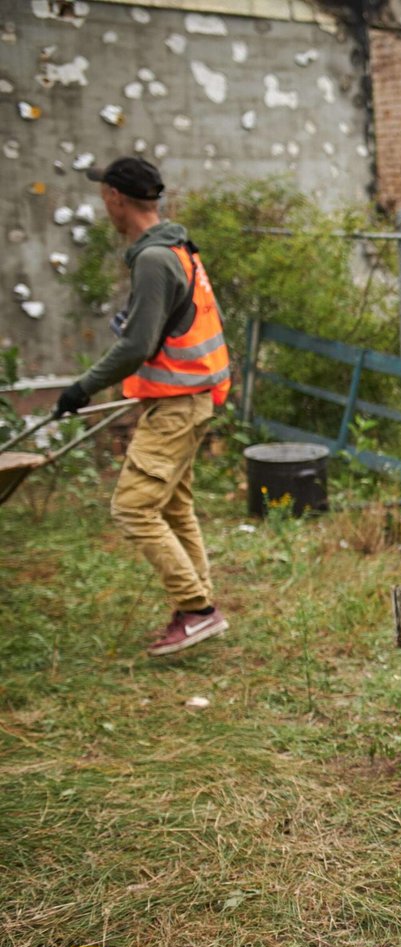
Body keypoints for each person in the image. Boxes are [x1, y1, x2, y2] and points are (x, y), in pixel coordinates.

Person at [53, 156, 231, 657]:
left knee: (133, 507)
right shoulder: (178, 247)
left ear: (114, 197)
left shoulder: (154, 258)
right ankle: (197, 604)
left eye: (103, 195)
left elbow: (136, 345)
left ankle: (197, 610)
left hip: (178, 404)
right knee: (173, 506)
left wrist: (82, 388)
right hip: (191, 397)